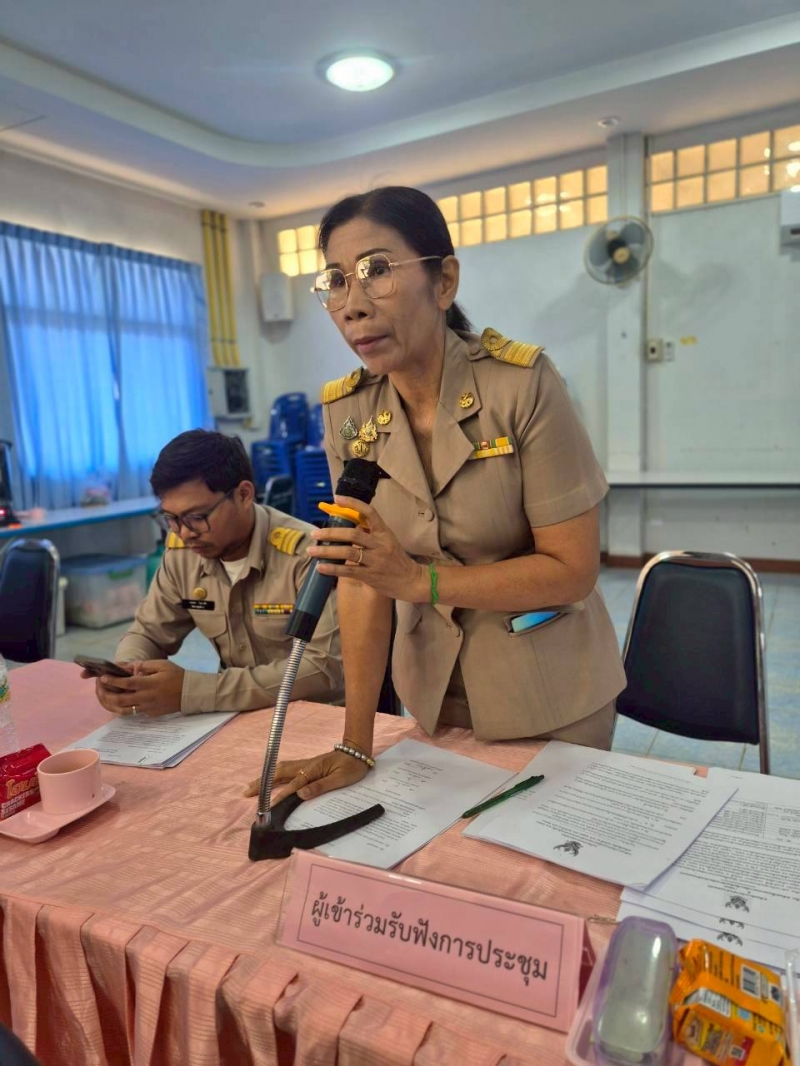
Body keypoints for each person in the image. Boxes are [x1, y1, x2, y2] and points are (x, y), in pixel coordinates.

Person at [244, 186, 625, 803]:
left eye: (376, 271)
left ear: (443, 281)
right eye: (336, 281)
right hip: (432, 693)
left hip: (551, 693)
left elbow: (572, 569)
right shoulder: (348, 413)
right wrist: (356, 741)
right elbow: (362, 578)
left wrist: (421, 582)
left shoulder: (521, 387)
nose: (353, 306)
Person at [82, 430, 343, 716]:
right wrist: (126, 674)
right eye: (171, 518)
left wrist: (197, 692)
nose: (184, 533)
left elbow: (324, 667)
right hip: (235, 713)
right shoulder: (183, 556)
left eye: (197, 517)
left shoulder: (309, 556)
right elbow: (148, 633)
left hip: (317, 714)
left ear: (244, 495)